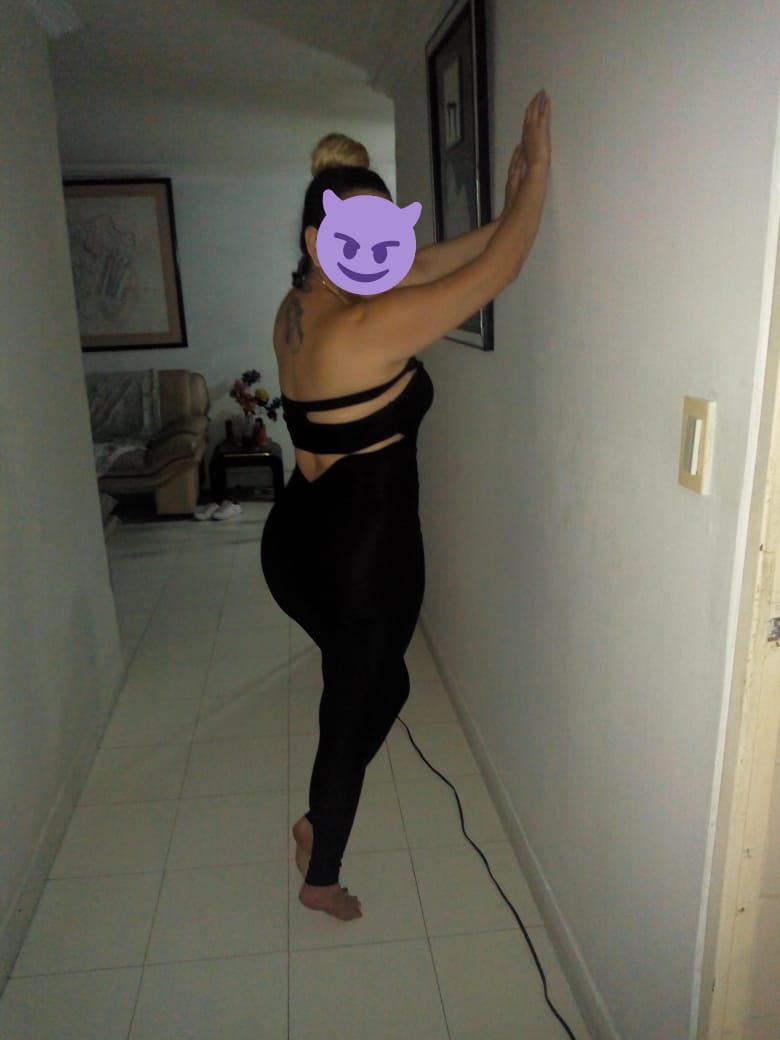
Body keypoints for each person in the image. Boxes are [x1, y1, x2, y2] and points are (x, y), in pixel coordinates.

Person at [261, 91, 552, 921]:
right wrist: (541, 169)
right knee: (354, 703)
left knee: (378, 687)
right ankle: (320, 868)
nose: (383, 254)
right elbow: (500, 272)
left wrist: (507, 205)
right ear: (319, 240)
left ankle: (321, 820)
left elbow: (425, 266)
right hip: (362, 556)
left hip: (297, 543)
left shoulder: (300, 307)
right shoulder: (367, 330)